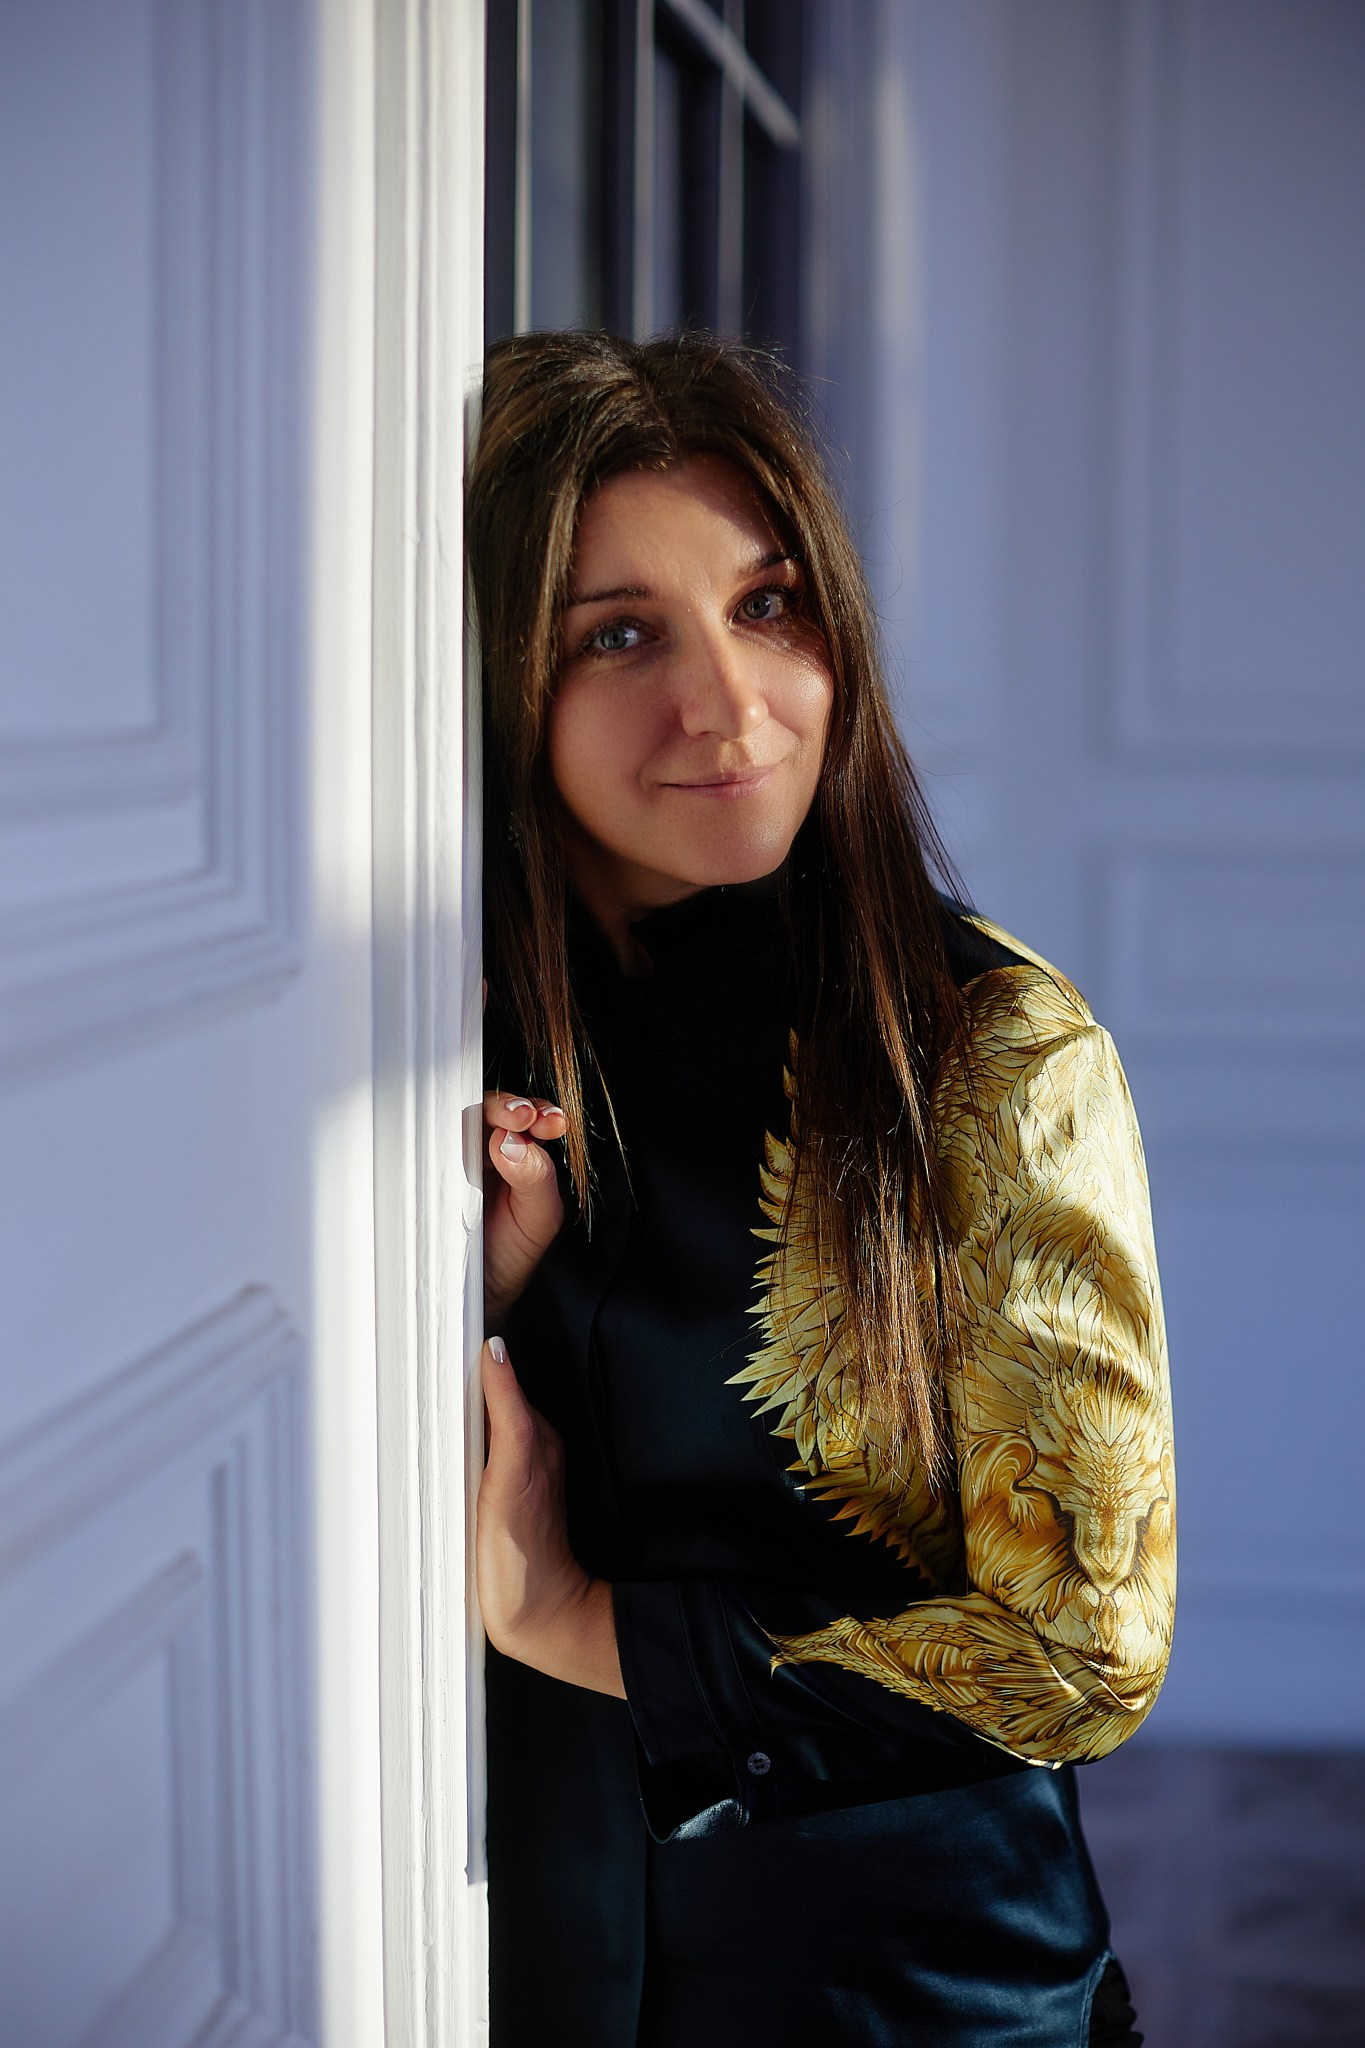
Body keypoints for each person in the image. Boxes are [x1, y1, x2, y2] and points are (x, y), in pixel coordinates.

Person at [467, 328, 1174, 2048]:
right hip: (536, 1957)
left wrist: (586, 1625)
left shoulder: (989, 1053)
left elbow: (1083, 1651)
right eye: (619, 634)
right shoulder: (474, 1039)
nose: (728, 704)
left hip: (915, 1991)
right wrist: (479, 1299)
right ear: (497, 678)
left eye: (767, 605)